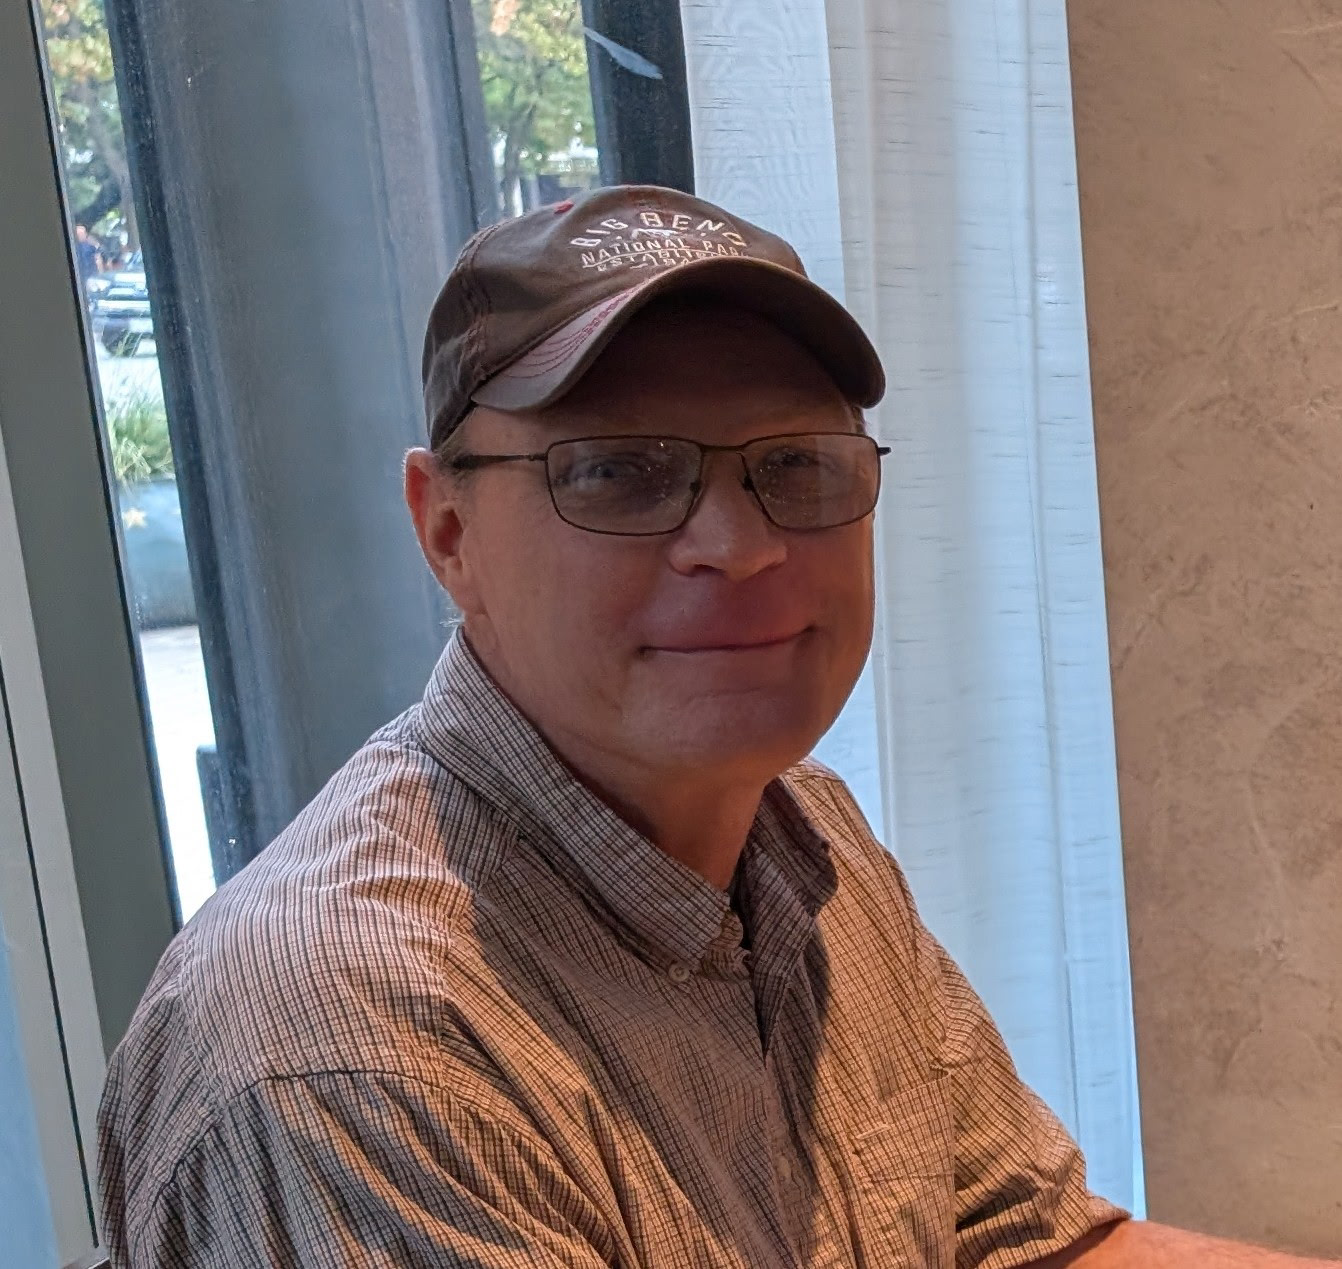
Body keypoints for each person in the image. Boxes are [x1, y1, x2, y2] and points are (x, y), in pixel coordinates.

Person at [98, 186, 1336, 1268]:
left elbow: (1026, 1245)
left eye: (795, 465)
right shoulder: (354, 1054)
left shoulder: (804, 836)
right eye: (615, 472)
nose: (739, 547)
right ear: (447, 531)